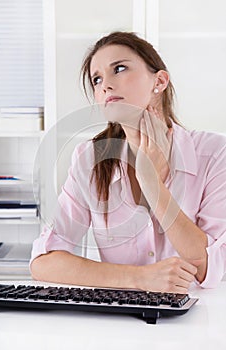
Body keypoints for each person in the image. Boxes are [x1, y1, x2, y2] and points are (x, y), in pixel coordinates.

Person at [30, 31, 226, 293]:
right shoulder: (89, 159)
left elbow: (209, 268)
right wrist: (139, 278)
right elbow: (44, 263)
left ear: (160, 80)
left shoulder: (214, 154)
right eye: (97, 79)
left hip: (198, 319)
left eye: (119, 69)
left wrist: (151, 183)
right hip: (120, 321)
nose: (105, 85)